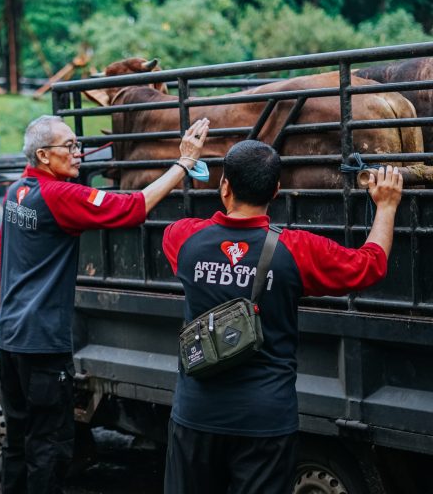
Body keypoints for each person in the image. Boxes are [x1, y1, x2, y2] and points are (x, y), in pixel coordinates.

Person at [160, 140, 403, 494]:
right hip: (266, 420)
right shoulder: (299, 249)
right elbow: (369, 265)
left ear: (224, 185)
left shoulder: (181, 238)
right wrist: (386, 206)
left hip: (196, 416)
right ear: (276, 190)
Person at [0, 114, 210, 494]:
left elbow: (1, 266)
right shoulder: (60, 195)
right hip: (43, 345)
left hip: (11, 341)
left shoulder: (15, 193)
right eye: (70, 147)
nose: (79, 154)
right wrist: (185, 163)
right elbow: (133, 207)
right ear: (43, 155)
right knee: (50, 446)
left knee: (18, 442)